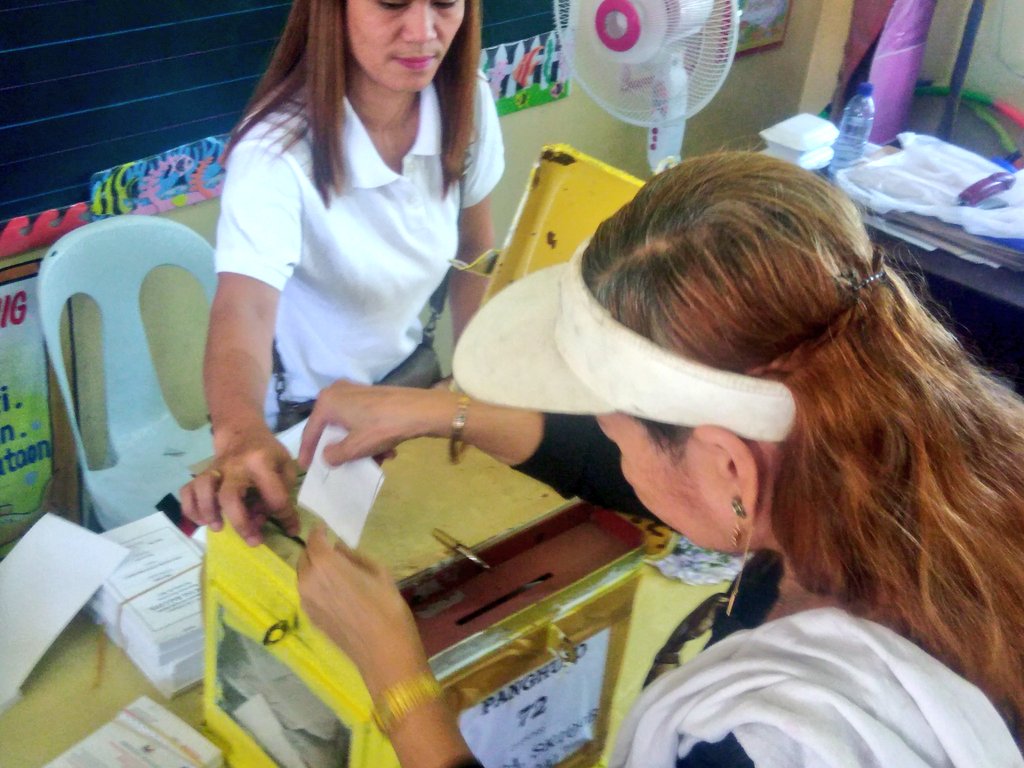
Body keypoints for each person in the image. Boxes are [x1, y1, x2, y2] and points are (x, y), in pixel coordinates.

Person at [295, 151, 1024, 768]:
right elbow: (671, 478)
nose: (613, 452)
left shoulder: (777, 739)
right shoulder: (924, 457)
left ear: (730, 468)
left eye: (614, 433)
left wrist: (399, 684)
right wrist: (441, 412)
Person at [182, 0, 503, 546]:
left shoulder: (465, 100)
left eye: (446, 3)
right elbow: (244, 307)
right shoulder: (275, 153)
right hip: (304, 427)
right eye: (392, 3)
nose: (424, 32)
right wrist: (238, 436)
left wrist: (480, 387)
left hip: (412, 393)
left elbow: (475, 255)